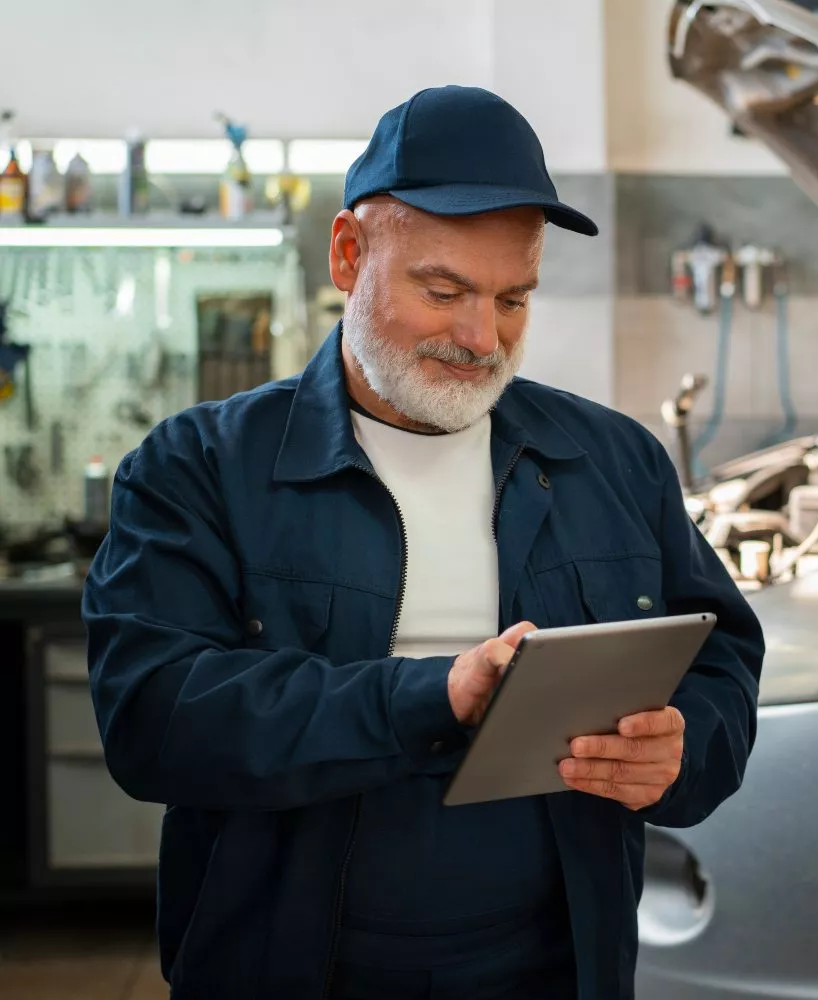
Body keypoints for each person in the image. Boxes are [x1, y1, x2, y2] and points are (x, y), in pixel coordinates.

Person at [82, 85, 763, 1000]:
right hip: (292, 972)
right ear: (349, 254)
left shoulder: (611, 461)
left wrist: (683, 751)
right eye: (443, 291)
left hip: (557, 970)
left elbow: (720, 661)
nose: (481, 337)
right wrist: (430, 696)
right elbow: (153, 718)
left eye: (513, 298)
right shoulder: (200, 468)